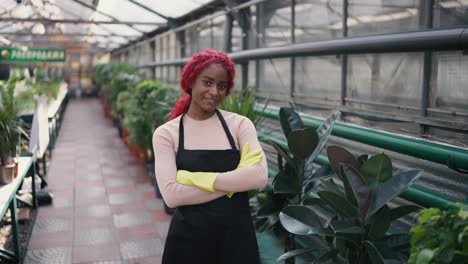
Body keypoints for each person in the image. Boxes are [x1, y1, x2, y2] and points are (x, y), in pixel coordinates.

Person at [152, 49, 268, 264]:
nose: (214, 91)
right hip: (188, 244)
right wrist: (235, 182)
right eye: (207, 82)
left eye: (221, 86)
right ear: (191, 81)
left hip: (237, 240)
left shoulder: (239, 125)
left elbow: (259, 177)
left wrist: (196, 179)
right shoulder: (167, 133)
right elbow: (172, 196)